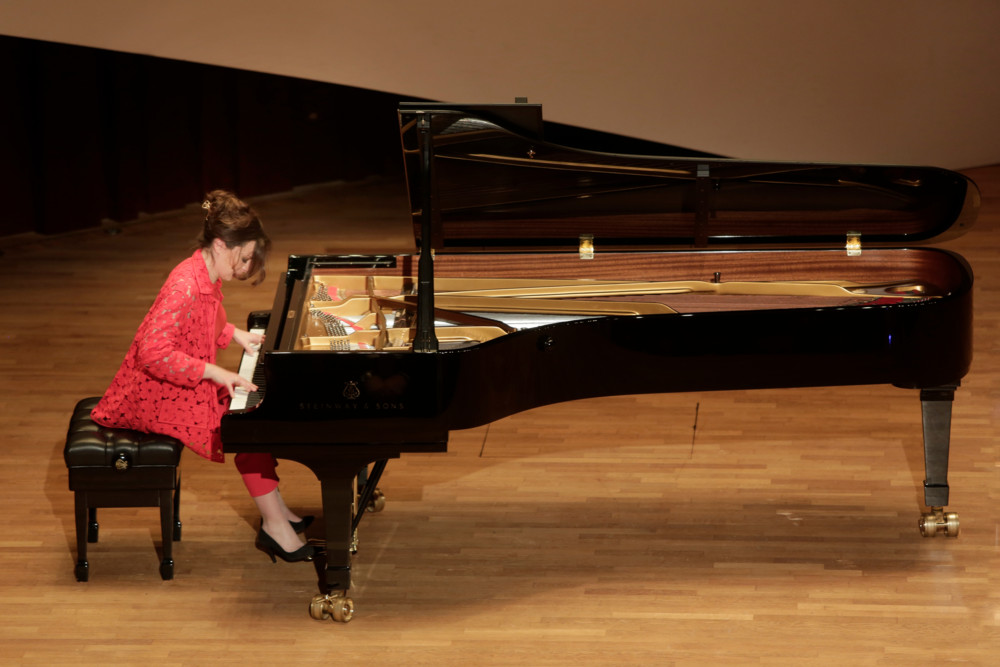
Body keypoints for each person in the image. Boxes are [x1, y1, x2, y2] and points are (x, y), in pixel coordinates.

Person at [91, 190, 315, 563]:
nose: (245, 268)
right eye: (243, 258)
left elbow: (204, 322)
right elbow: (153, 353)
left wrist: (236, 336)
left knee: (256, 414)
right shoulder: (185, 286)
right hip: (153, 396)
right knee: (250, 425)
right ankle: (274, 526)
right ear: (219, 244)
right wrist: (215, 371)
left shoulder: (203, 272)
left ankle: (277, 513)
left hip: (177, 382)